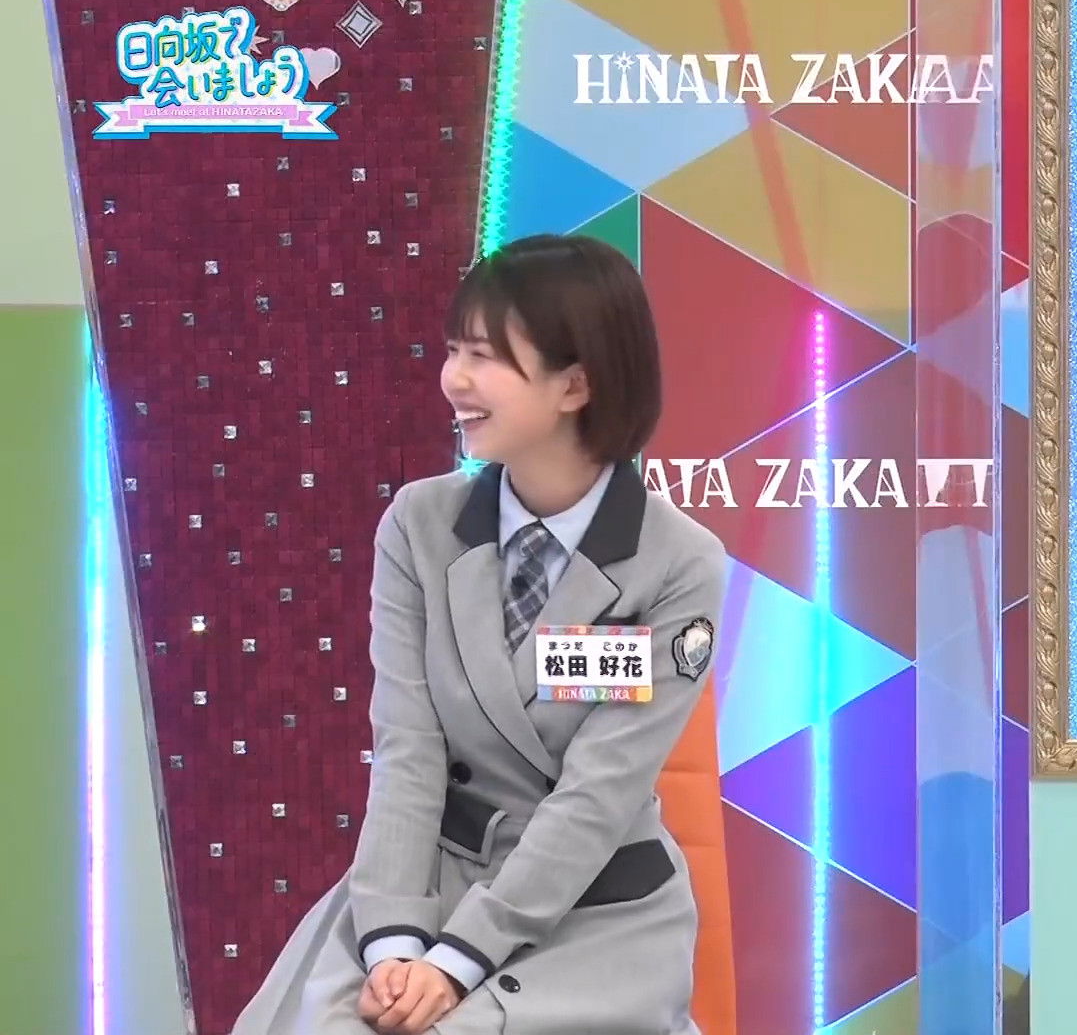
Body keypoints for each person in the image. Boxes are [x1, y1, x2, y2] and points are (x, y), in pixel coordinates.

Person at [232, 234, 726, 1035]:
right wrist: (395, 940)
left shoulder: (677, 564)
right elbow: (408, 749)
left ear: (575, 385)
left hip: (592, 908)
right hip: (425, 881)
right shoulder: (418, 525)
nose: (453, 379)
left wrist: (458, 961)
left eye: (485, 357)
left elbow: (598, 795)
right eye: (453, 349)